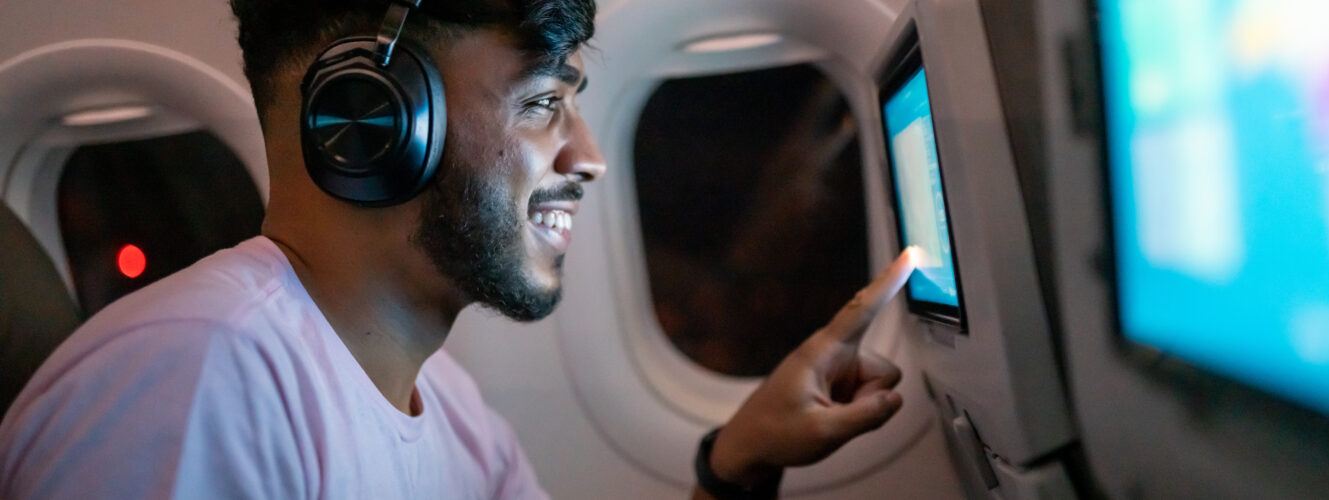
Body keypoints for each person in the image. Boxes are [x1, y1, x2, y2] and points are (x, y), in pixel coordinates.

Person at [0, 1, 917, 498]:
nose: (589, 157)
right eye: (541, 102)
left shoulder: (446, 403)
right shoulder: (198, 382)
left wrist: (737, 461)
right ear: (373, 125)